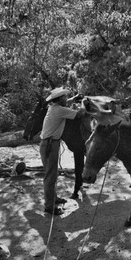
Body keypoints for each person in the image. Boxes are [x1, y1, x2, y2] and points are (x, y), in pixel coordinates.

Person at [40, 87, 83, 215]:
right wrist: (84, 106)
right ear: (59, 100)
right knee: (50, 176)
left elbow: (65, 104)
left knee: (52, 173)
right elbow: (79, 115)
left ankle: (53, 198)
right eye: (64, 97)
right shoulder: (60, 110)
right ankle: (49, 206)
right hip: (50, 145)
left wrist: (73, 99)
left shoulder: (53, 107)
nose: (66, 99)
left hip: (48, 144)